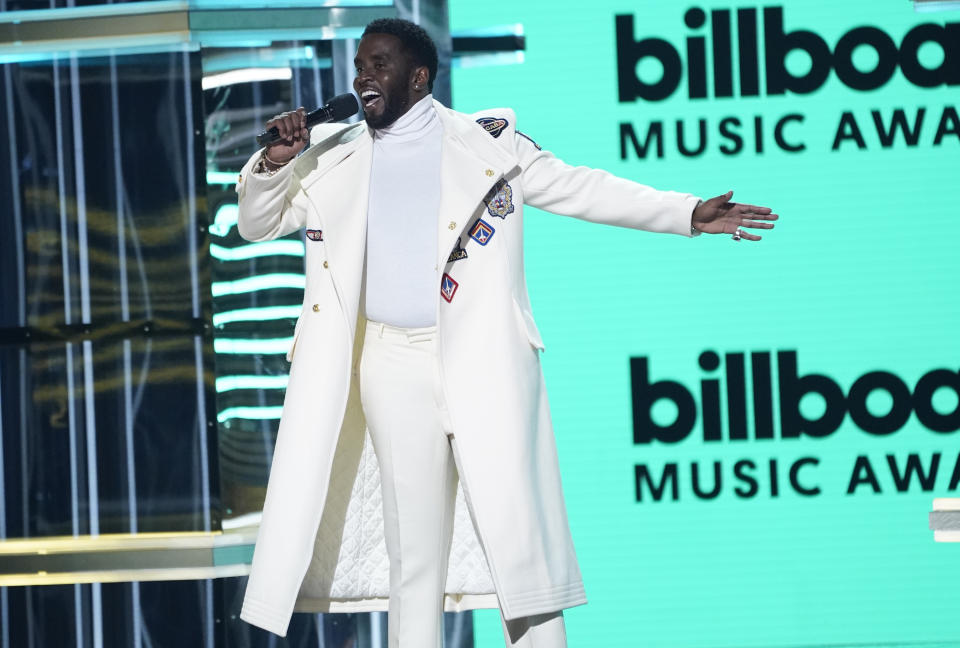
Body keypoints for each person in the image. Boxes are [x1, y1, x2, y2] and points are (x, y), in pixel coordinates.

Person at [235, 17, 776, 648]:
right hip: (388, 365)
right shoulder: (330, 154)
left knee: (521, 545)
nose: (362, 77)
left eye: (379, 65)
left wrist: (684, 212)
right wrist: (274, 160)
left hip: (482, 362)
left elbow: (581, 188)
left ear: (418, 77)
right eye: (359, 65)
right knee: (414, 556)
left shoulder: (490, 143)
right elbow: (255, 222)